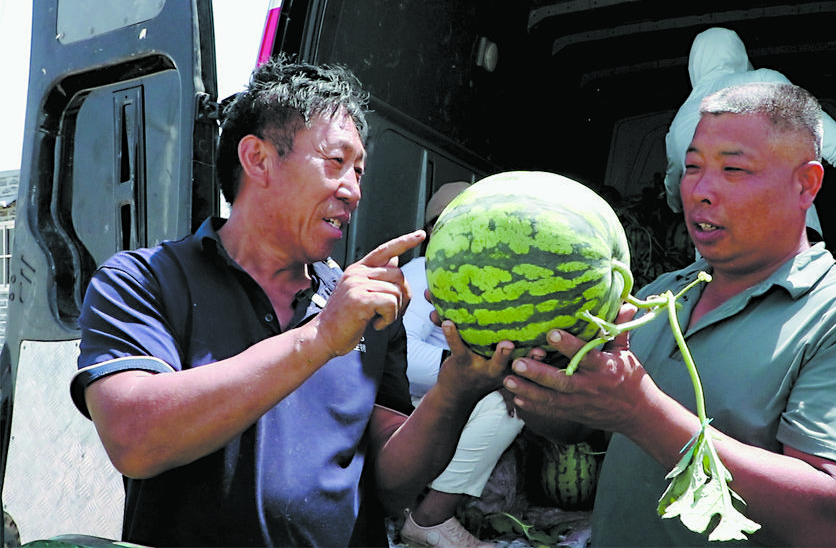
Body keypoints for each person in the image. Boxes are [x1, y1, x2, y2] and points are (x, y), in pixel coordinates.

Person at [69, 59, 512, 548]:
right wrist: (319, 339)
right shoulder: (142, 281)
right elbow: (136, 439)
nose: (354, 190)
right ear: (258, 159)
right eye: (336, 162)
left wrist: (457, 387)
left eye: (360, 172)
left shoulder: (367, 307)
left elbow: (390, 486)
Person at [498, 82, 836, 547]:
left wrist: (640, 411)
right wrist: (512, 371)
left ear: (806, 184)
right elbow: (577, 423)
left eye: (733, 168)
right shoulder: (661, 295)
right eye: (692, 167)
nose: (700, 190)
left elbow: (827, 520)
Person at [663, 27, 836, 236]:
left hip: (722, 256)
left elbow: (675, 189)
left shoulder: (678, 124)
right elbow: (819, 128)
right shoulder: (763, 81)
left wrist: (675, 207)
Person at [399, 181, 525, 548]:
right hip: (407, 405)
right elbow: (403, 359)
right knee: (508, 404)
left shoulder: (472, 282)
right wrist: (480, 375)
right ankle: (430, 518)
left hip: (444, 397)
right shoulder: (422, 273)